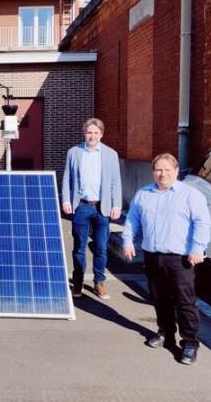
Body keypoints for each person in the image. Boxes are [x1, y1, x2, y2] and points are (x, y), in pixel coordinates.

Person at [122, 153, 211, 365]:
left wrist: (198, 248)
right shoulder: (144, 193)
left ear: (176, 171)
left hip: (181, 259)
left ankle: (189, 342)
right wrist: (127, 241)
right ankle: (165, 332)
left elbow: (202, 223)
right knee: (159, 298)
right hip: (153, 256)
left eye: (167, 170)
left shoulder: (190, 195)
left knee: (184, 302)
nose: (163, 174)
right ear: (153, 171)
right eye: (159, 170)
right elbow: (132, 219)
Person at [62, 117, 122, 300]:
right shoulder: (74, 152)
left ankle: (99, 282)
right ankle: (78, 280)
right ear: (84, 133)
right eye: (89, 132)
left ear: (101, 134)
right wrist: (66, 200)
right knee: (79, 246)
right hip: (81, 207)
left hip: (101, 208)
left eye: (96, 132)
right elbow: (67, 179)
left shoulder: (111, 154)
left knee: (101, 247)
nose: (92, 136)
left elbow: (115, 182)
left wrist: (117, 204)